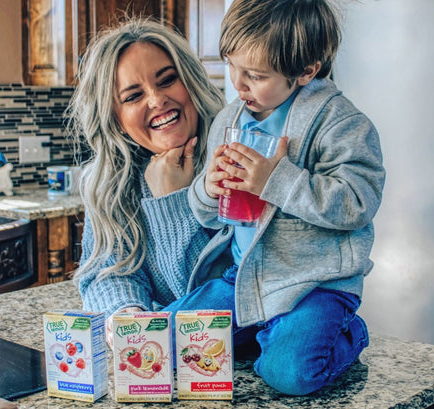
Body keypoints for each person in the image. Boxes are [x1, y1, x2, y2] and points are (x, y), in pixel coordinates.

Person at [166, 0, 386, 396]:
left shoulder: (342, 124)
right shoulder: (230, 120)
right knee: (164, 341)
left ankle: (348, 332)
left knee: (288, 374)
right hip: (244, 279)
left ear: (306, 71)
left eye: (255, 74)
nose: (238, 82)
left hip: (314, 285)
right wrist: (207, 189)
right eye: (231, 65)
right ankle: (259, 329)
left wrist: (277, 181)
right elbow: (209, 217)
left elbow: (358, 201)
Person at [66, 18, 224, 347]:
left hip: (247, 354)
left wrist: (173, 200)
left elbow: (212, 302)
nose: (156, 100)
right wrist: (126, 314)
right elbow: (107, 272)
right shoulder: (111, 182)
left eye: (167, 80)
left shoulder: (231, 160)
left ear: (191, 83)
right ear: (116, 119)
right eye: (133, 96)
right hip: (171, 358)